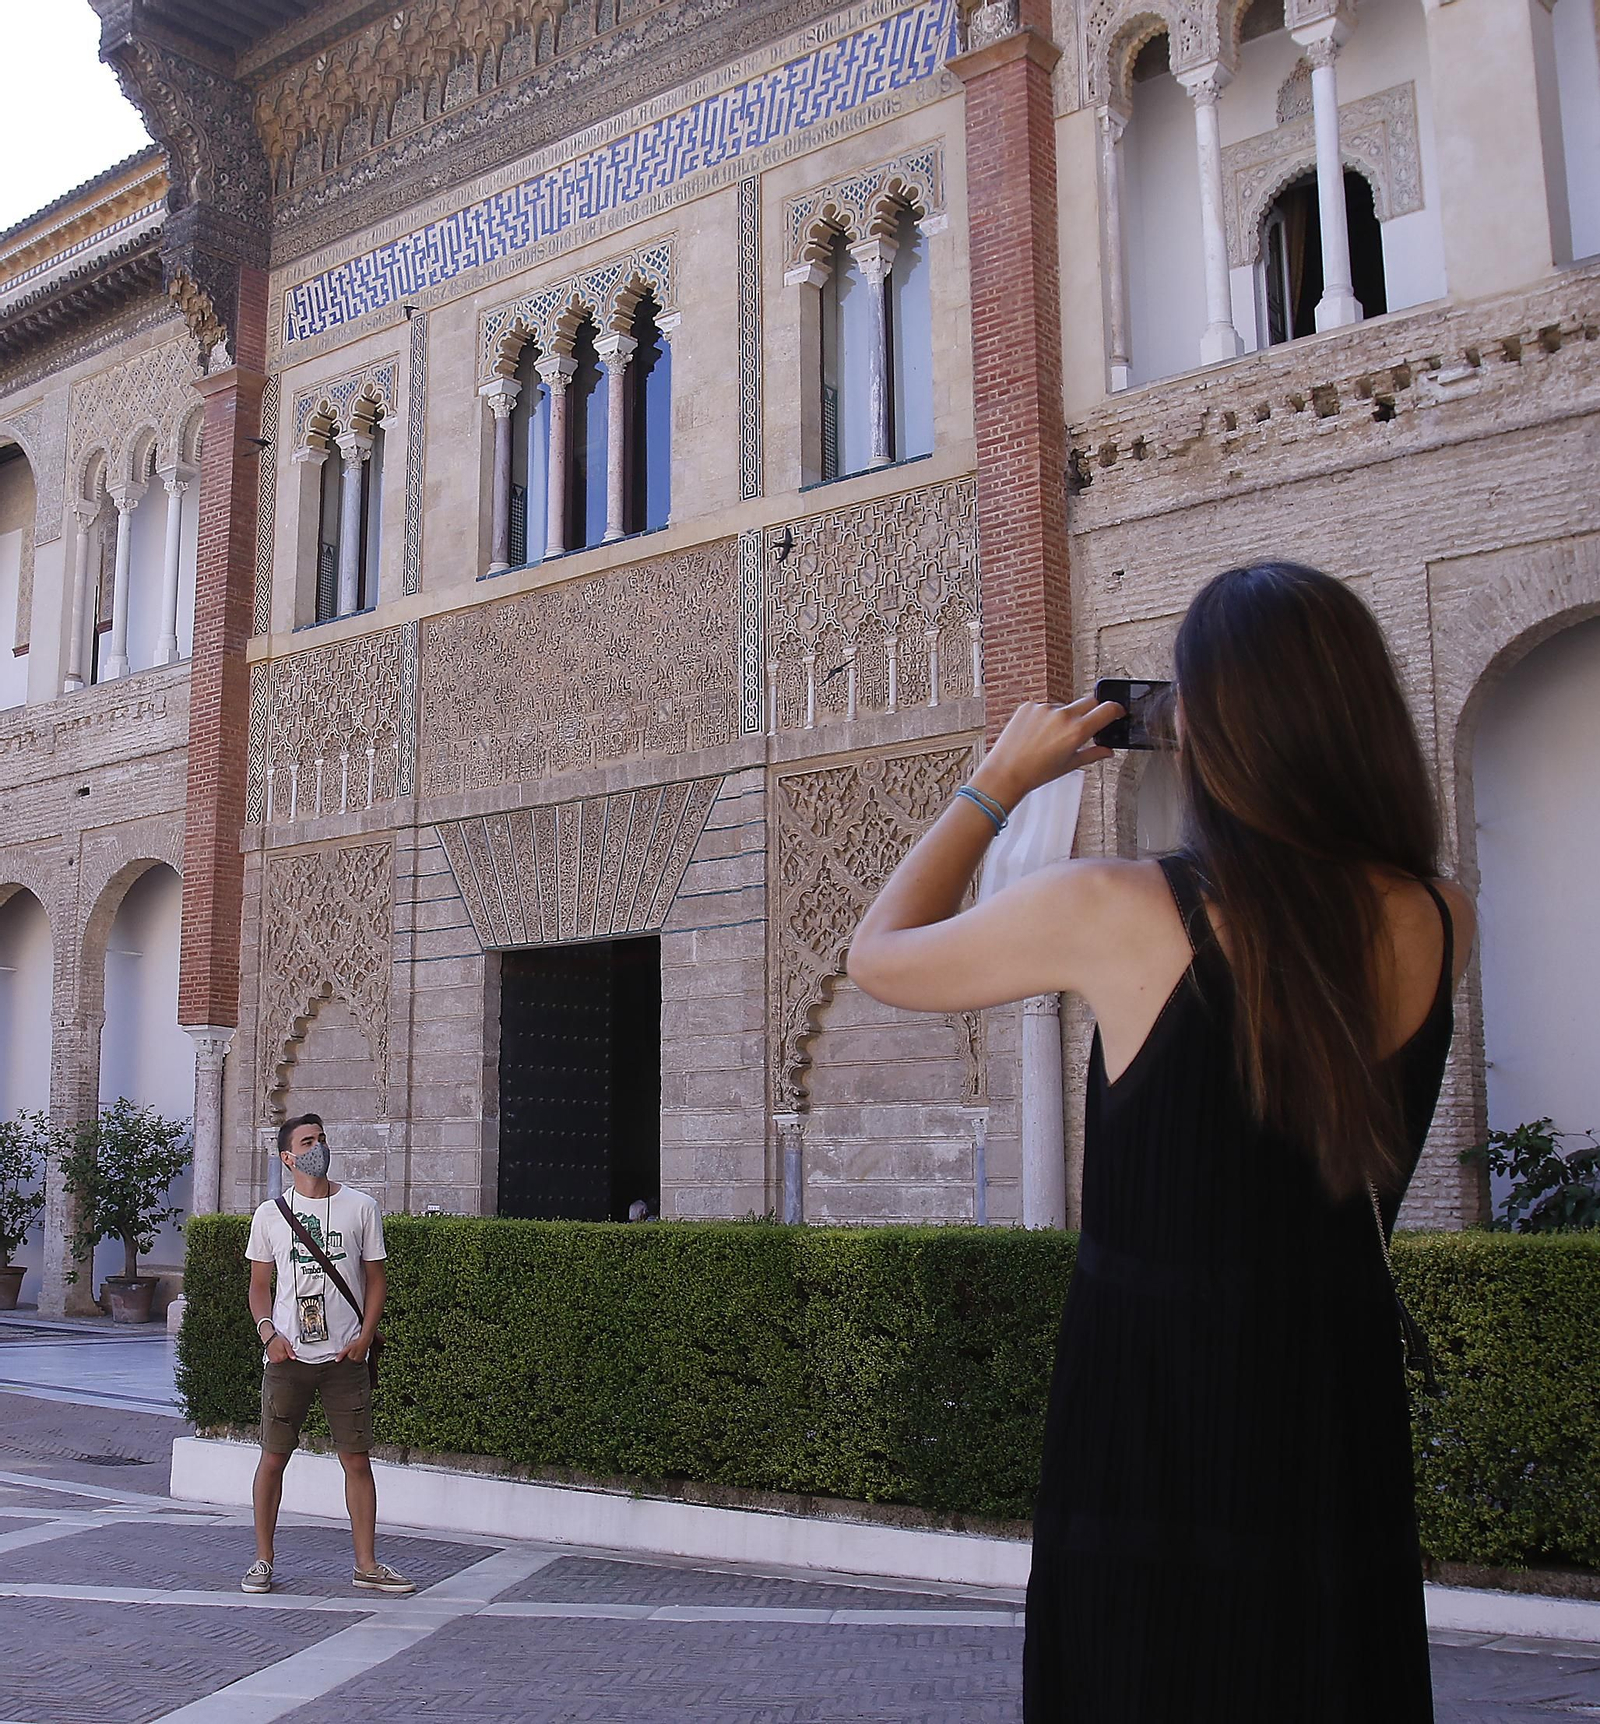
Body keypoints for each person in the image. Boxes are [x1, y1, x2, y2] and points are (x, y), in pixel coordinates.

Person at [847, 563, 1473, 1722]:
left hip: (1153, 1428)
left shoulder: (1117, 908)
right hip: (1331, 1417)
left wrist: (997, 783)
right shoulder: (1437, 913)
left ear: (1210, 727)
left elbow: (879, 953)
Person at [242, 1114, 415, 1596]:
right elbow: (259, 1286)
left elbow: (376, 1279)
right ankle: (262, 1559)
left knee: (357, 1460)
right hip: (288, 1359)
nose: (318, 1147)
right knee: (273, 1458)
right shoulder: (270, 1215)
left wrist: (365, 1336)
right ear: (287, 1157)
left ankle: (367, 1564)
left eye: (321, 1139)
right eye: (307, 1142)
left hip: (344, 1359)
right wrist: (268, 1334)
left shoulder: (361, 1207)